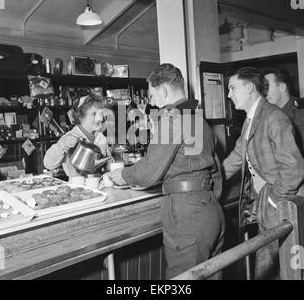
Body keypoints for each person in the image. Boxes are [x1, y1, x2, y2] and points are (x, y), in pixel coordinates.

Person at [108, 63, 225, 279]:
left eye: (152, 95)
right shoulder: (199, 119)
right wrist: (204, 200)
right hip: (211, 210)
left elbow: (148, 171)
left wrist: (122, 175)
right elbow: (216, 173)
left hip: (185, 213)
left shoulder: (171, 119)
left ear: (163, 90)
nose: (151, 102)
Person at [223, 67, 304, 279]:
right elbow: (237, 157)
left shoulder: (274, 117)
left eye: (232, 88)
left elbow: (294, 168)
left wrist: (274, 202)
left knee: (278, 269)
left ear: (249, 87)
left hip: (281, 204)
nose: (229, 94)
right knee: (269, 267)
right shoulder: (251, 119)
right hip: (267, 204)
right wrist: (210, 178)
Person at [44, 95, 111, 178]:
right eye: (94, 114)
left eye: (100, 114)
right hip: (77, 187)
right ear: (80, 117)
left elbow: (108, 163)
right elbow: (48, 164)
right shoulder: (70, 137)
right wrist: (62, 145)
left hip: (99, 186)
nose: (100, 118)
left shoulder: (101, 137)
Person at [263, 66, 304, 156]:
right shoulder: (267, 114)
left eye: (267, 88)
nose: (264, 93)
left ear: (282, 87)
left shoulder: (300, 114)